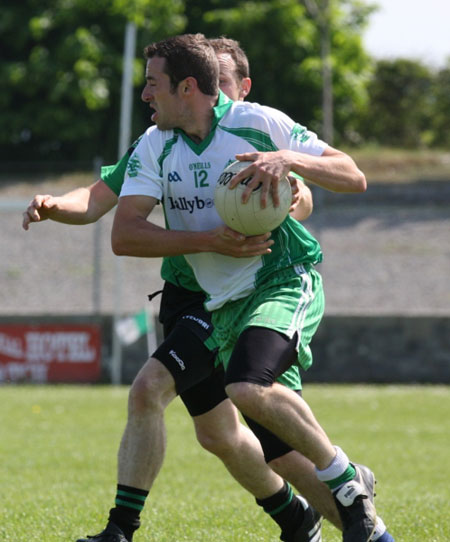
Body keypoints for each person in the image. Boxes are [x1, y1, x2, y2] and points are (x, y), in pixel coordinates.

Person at [22, 37, 393, 542]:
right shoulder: (156, 142)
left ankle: (122, 530)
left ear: (189, 87)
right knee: (227, 434)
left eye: (152, 84)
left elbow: (334, 183)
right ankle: (319, 517)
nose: (145, 95)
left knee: (204, 395)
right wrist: (55, 205)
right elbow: (110, 216)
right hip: (207, 299)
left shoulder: (257, 124)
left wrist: (287, 163)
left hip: (273, 281)